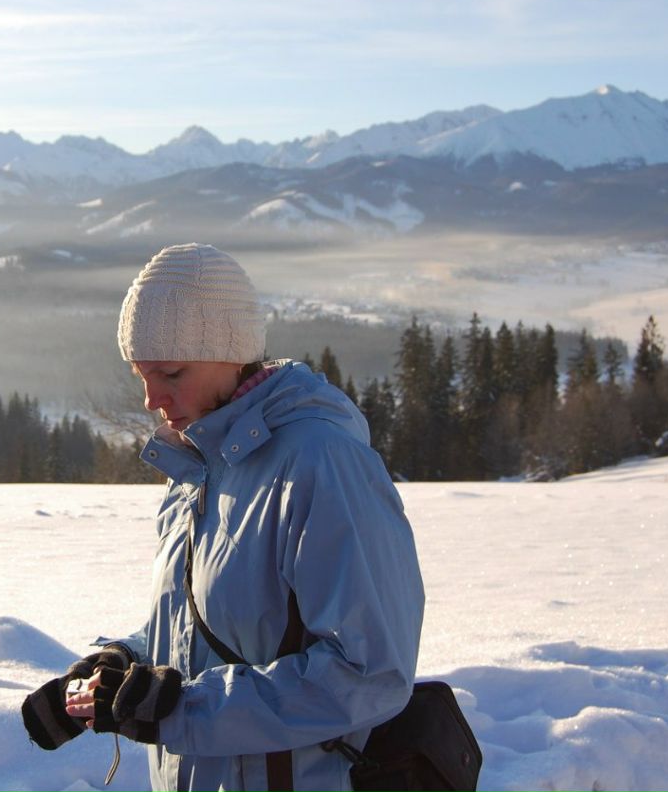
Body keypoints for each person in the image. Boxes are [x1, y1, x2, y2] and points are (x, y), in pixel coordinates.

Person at [22, 243, 425, 792]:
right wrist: (120, 668)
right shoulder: (196, 470)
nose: (150, 399)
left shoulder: (320, 464)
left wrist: (178, 710)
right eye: (141, 374)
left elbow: (369, 673)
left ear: (231, 351)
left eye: (170, 372)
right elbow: (205, 632)